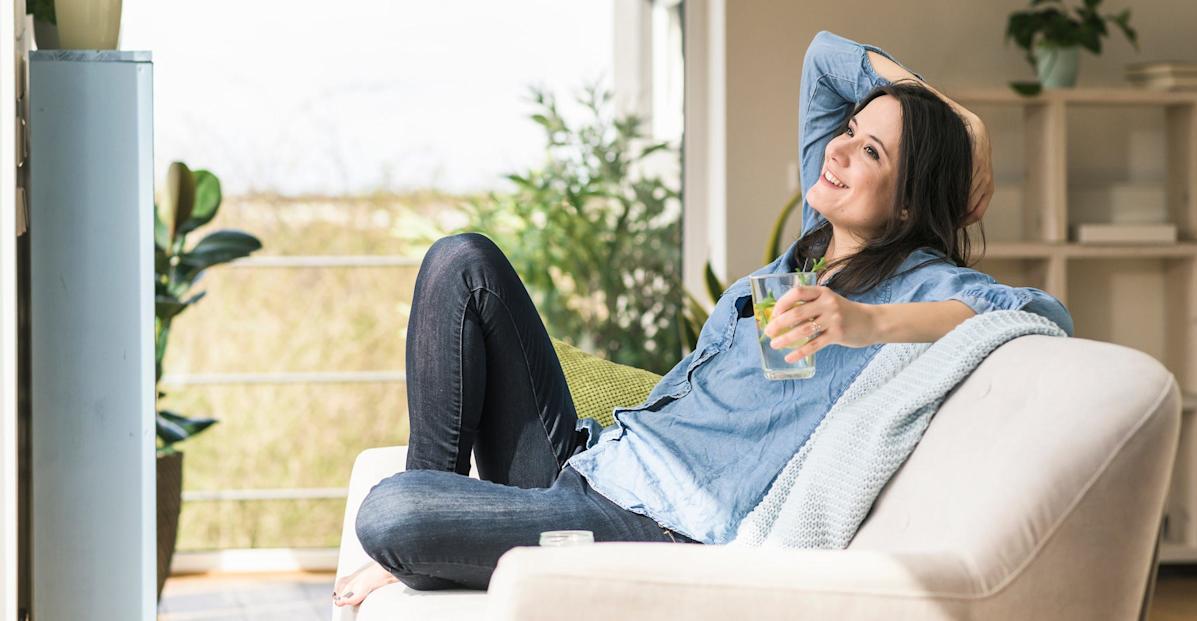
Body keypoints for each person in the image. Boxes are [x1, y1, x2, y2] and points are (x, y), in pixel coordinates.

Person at [333, 30, 1074, 608]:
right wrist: (952, 119)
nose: (839, 149)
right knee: (463, 260)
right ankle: (422, 543)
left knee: (390, 511)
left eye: (870, 149)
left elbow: (1037, 314)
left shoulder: (911, 284)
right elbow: (824, 58)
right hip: (590, 462)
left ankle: (413, 541)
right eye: (847, 129)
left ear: (909, 201)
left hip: (647, 522)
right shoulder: (805, 256)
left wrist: (867, 324)